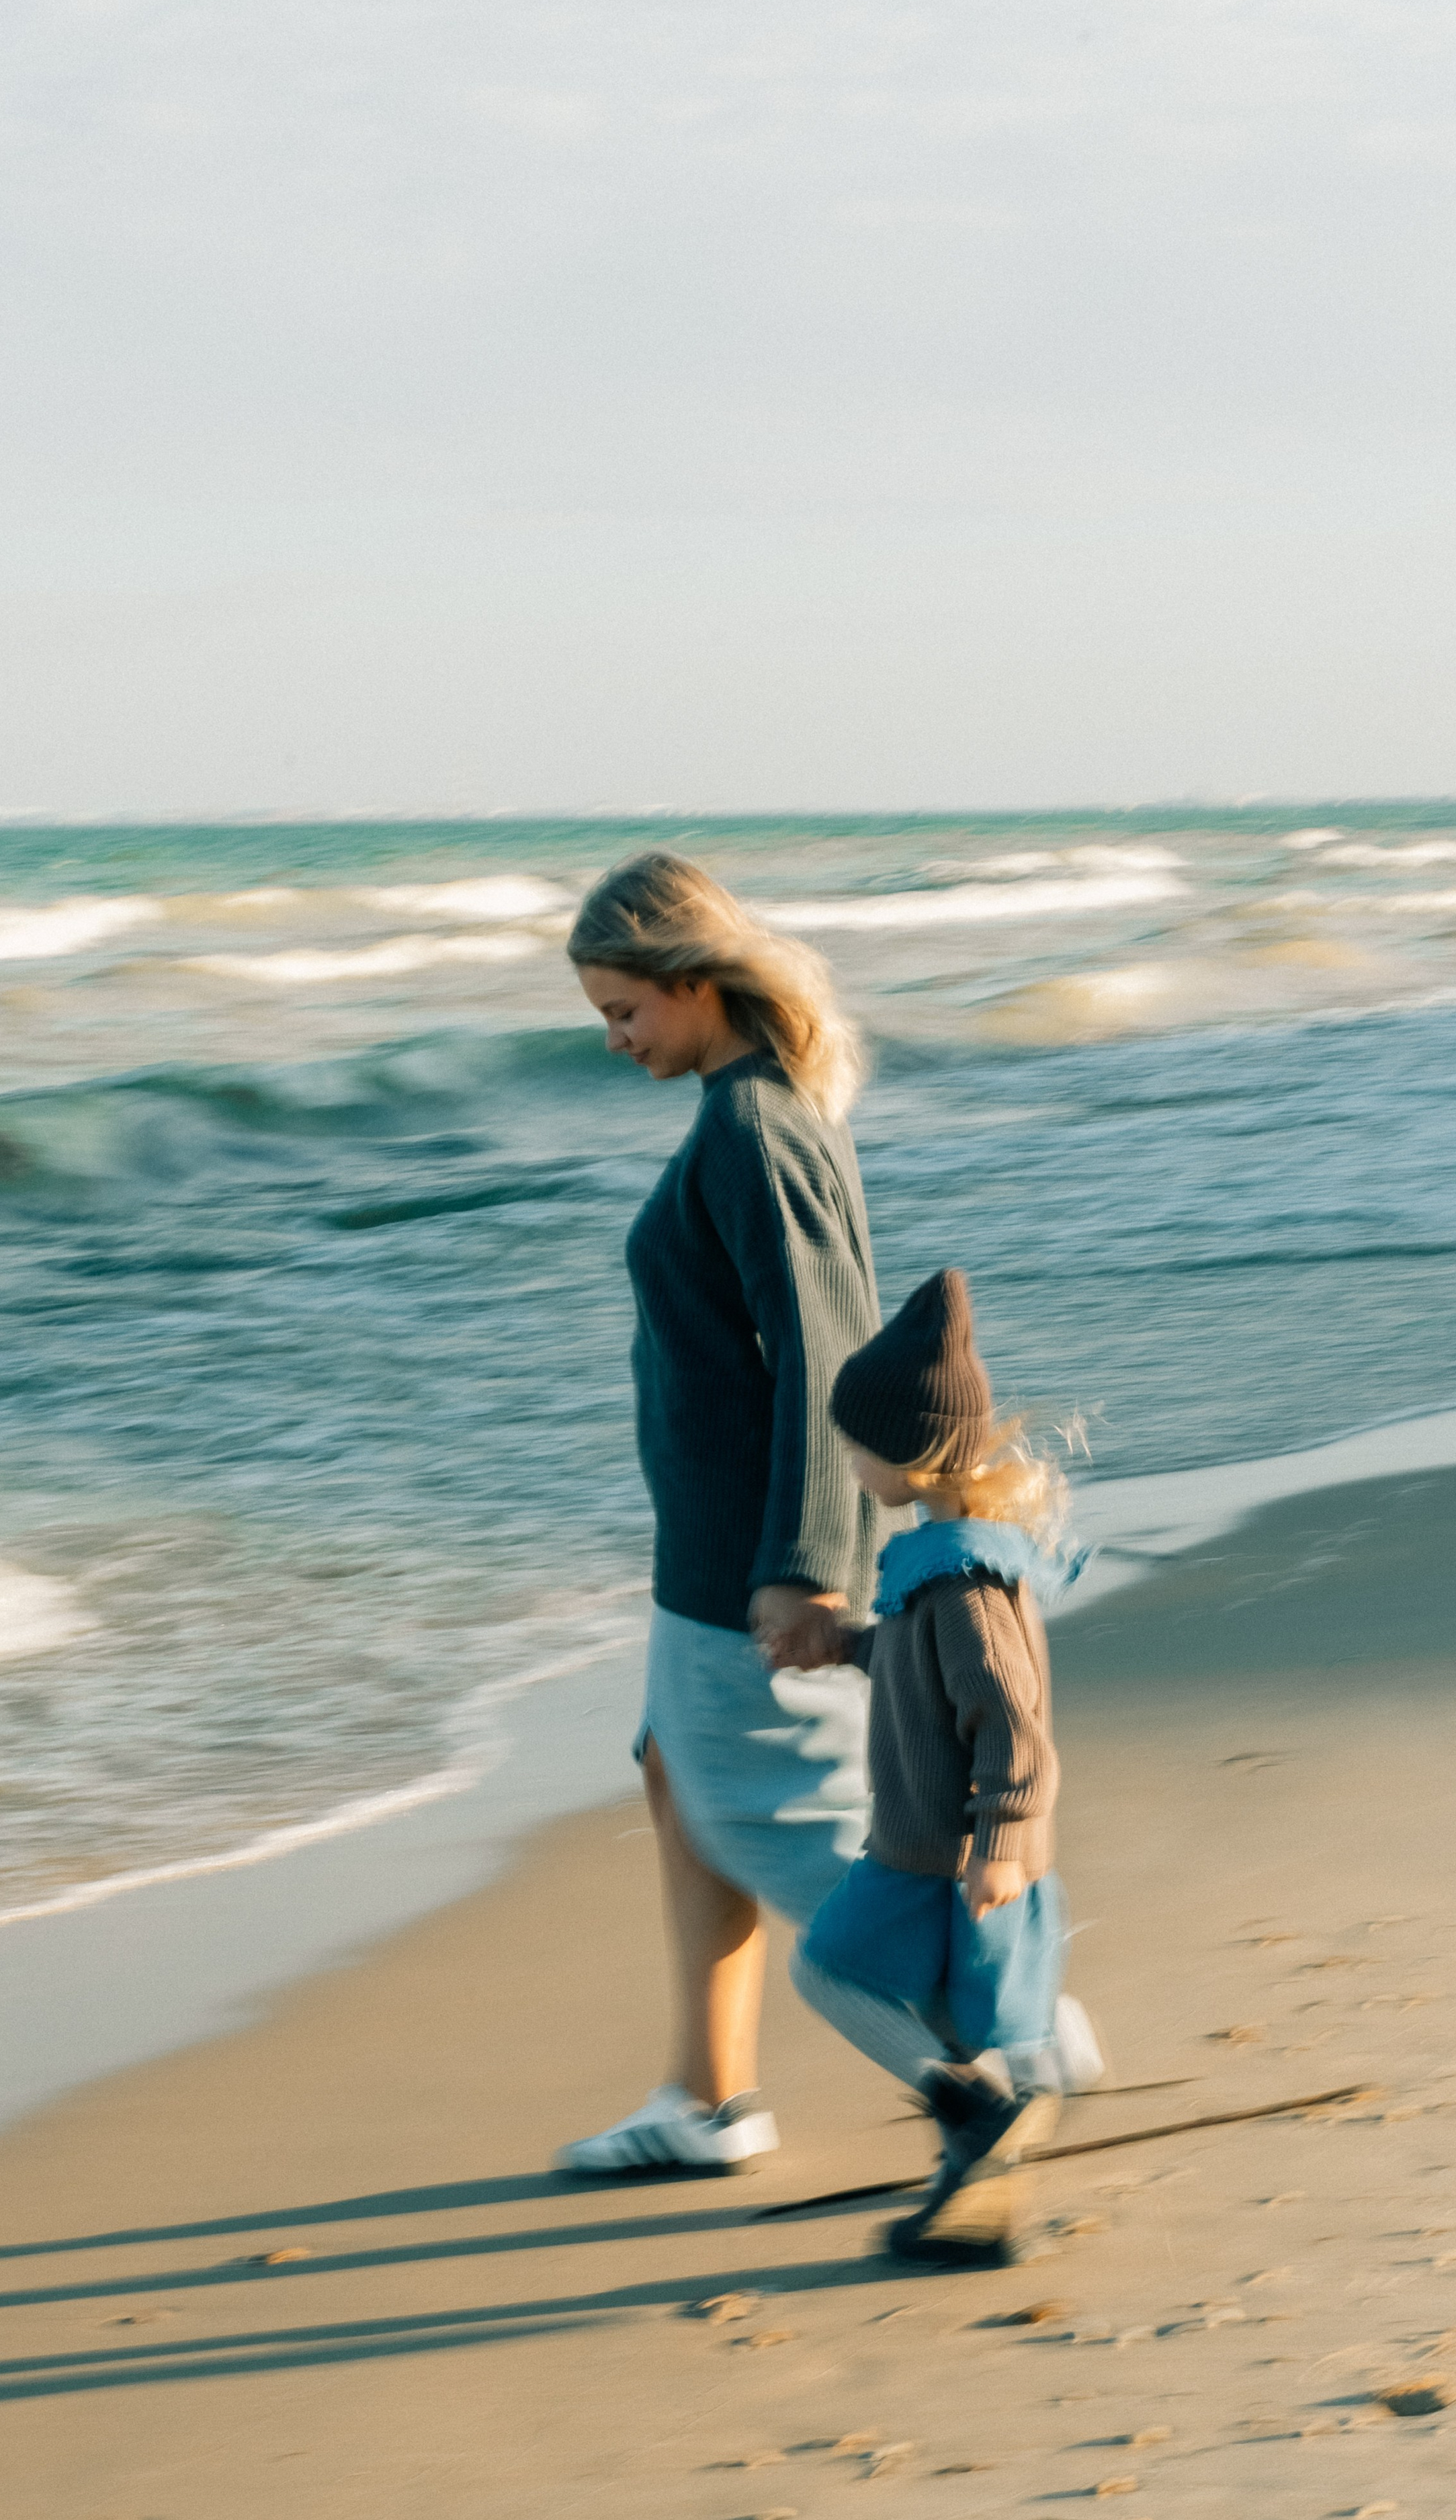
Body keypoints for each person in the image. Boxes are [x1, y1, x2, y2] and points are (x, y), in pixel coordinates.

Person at [557, 851, 882, 2173]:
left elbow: (827, 1349)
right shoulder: (752, 1111)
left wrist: (800, 1566)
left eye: (623, 1011)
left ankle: (991, 2030)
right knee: (679, 1780)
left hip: (749, 1554)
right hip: (714, 1542)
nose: (617, 1041)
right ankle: (707, 2097)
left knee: (784, 1821)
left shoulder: (752, 1127)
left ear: (691, 980)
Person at [771, 1267, 1088, 2265]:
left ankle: (972, 2113)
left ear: (908, 1453)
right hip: (940, 1852)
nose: (851, 1461)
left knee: (830, 1972)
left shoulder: (958, 1580)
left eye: (857, 1444)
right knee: (962, 2017)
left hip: (943, 1857)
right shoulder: (943, 1561)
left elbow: (1012, 1721)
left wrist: (1000, 1841)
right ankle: (980, 2180)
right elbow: (932, 1678)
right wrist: (851, 1646)